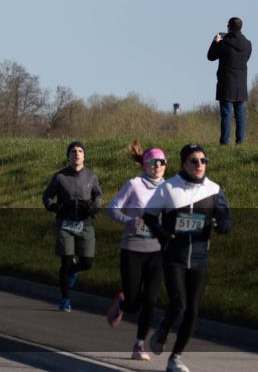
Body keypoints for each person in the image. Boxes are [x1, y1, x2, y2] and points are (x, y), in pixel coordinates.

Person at [144, 144, 231, 372]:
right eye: (194, 161)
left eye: (203, 160)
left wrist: (223, 224)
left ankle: (176, 357)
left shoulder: (213, 189)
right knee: (180, 304)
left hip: (200, 257)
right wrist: (163, 236)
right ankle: (163, 329)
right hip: (175, 256)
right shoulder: (169, 188)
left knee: (192, 309)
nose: (200, 165)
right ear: (184, 163)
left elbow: (225, 216)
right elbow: (149, 216)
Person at [105, 140, 167, 360]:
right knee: (133, 303)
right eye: (153, 162)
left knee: (151, 299)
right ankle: (122, 302)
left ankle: (139, 345)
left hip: (158, 251)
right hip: (132, 248)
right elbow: (111, 209)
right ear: (144, 164)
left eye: (161, 162)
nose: (157, 166)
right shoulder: (134, 185)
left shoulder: (170, 188)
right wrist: (131, 222)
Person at [42, 140, 102, 312]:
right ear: (68, 156)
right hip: (65, 224)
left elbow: (98, 196)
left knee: (87, 262)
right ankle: (65, 299)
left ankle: (75, 270)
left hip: (86, 223)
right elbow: (47, 197)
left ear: (84, 155)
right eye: (73, 151)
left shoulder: (91, 176)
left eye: (80, 151)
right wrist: (56, 207)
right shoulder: (59, 177)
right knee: (66, 262)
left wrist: (94, 207)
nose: (76, 154)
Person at [206, 17, 252, 145]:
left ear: (229, 27)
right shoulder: (248, 44)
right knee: (240, 116)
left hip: (226, 83)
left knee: (226, 115)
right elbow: (245, 58)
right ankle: (240, 142)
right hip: (241, 84)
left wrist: (215, 42)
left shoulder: (223, 43)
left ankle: (224, 142)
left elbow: (210, 57)